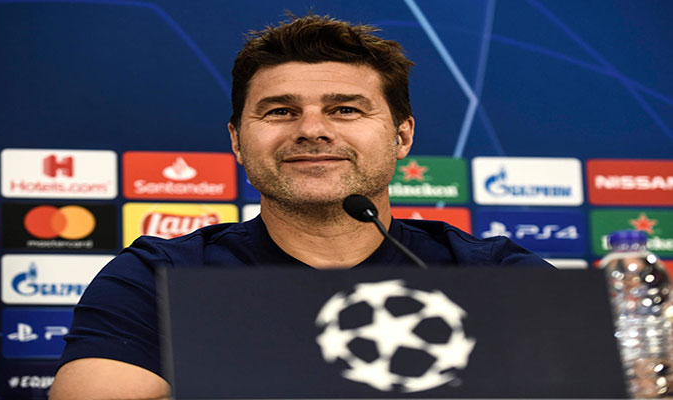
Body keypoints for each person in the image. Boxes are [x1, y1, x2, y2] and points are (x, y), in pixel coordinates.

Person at [49, 14, 552, 399]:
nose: (312, 130)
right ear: (237, 141)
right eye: (281, 111)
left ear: (402, 136)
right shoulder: (158, 275)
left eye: (345, 109)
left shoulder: (496, 274)